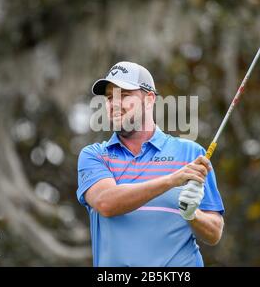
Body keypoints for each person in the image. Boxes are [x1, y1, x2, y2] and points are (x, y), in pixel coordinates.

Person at [77, 61, 225, 267]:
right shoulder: (95, 156)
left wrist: (193, 215)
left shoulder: (190, 153)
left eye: (125, 95)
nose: (114, 104)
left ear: (149, 100)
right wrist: (172, 181)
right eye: (110, 97)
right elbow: (106, 203)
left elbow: (214, 232)